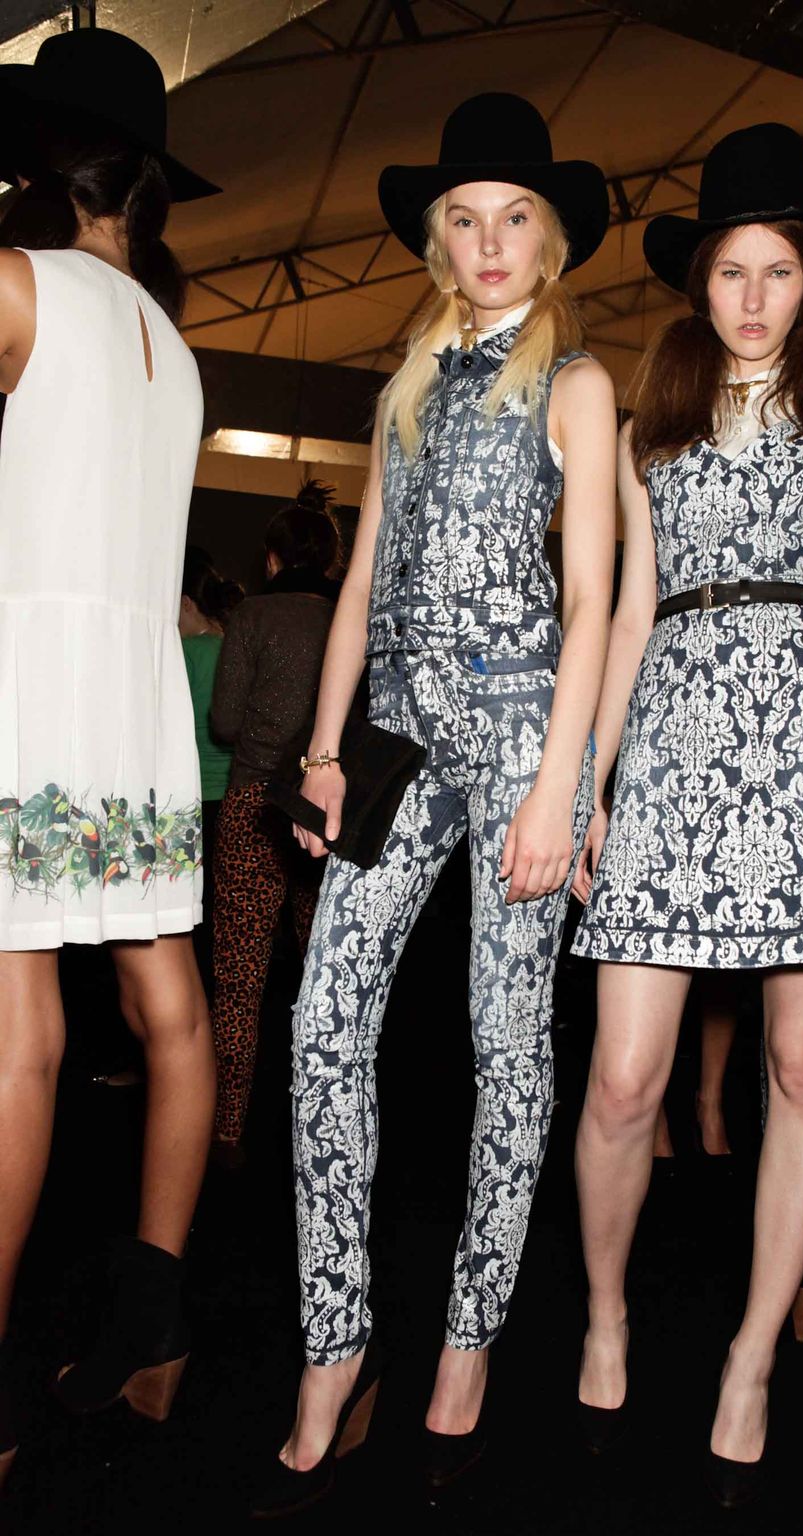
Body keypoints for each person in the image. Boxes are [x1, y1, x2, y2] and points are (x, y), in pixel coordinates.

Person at [251, 92, 615, 1517]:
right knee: (321, 1023)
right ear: (437, 242)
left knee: (504, 1040)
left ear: (551, 238)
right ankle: (333, 1344)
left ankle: (471, 1333)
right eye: (465, 219)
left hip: (525, 728)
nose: (490, 240)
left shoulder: (574, 382)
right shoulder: (405, 387)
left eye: (514, 217)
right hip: (395, 735)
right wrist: (323, 747)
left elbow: (591, 602)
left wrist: (562, 788)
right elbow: (359, 586)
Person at [569, 123, 803, 1506]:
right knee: (622, 1078)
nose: (755, 296)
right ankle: (604, 1315)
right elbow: (628, 613)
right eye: (731, 270)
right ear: (698, 281)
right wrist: (592, 785)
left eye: (778, 270)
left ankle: (752, 1358)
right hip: (669, 743)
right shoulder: (648, 416)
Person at [0, 26, 220, 1478]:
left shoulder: (16, 285)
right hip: (137, 717)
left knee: (18, 1038)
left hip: (26, 687)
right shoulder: (174, 346)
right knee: (171, 1014)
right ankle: (155, 1323)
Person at [208, 482, 341, 1161]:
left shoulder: (253, 617)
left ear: (270, 559)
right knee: (327, 974)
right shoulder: (349, 618)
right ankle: (322, 1125)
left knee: (239, 974)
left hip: (254, 808)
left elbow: (225, 722)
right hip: (327, 812)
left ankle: (226, 1128)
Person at [178, 546, 240, 1000]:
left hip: (191, 797)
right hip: (231, 794)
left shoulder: (181, 653)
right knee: (225, 911)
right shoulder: (232, 644)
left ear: (186, 602)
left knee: (189, 913)